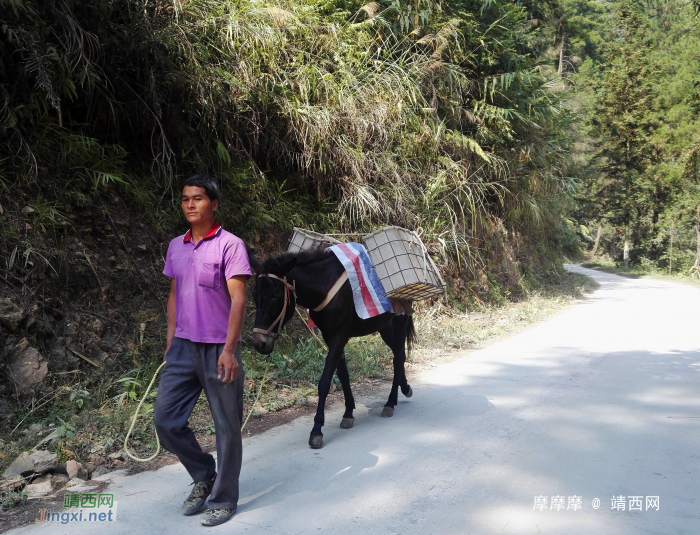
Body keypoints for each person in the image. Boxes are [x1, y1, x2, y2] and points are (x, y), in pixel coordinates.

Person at [154, 175, 251, 527]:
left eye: (197, 198)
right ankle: (203, 473)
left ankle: (223, 498)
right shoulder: (175, 245)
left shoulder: (230, 245)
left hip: (218, 349)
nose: (190, 204)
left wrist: (229, 349)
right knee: (166, 420)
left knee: (226, 427)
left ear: (214, 204)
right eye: (184, 199)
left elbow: (238, 299)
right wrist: (169, 335)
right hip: (182, 347)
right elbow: (174, 293)